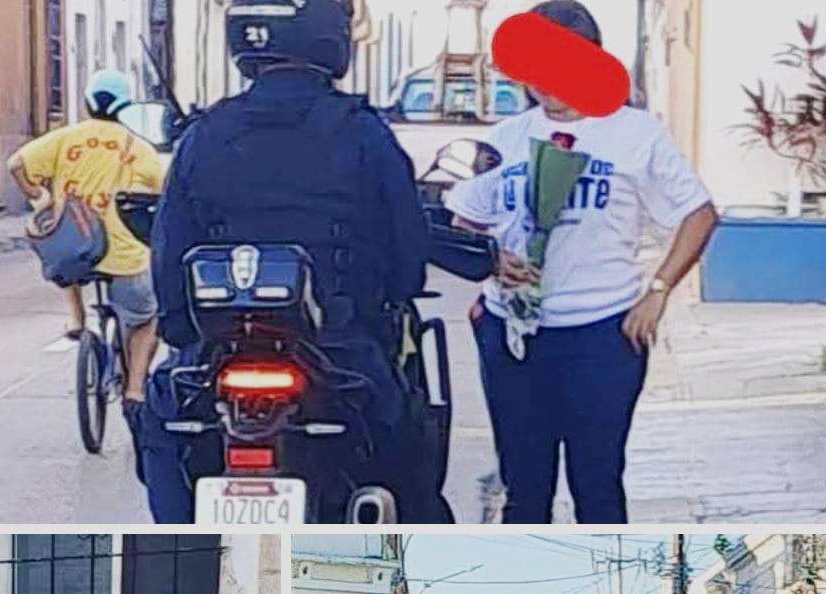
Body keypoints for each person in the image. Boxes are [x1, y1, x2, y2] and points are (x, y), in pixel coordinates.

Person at [144, 0, 433, 523]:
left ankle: (177, 542)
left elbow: (168, 248)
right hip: (340, 348)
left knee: (161, 424)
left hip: (216, 352)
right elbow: (408, 247)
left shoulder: (204, 134)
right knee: (404, 451)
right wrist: (388, 297)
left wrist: (182, 332)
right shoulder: (364, 133)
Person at [447, 0, 719, 525]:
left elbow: (699, 213)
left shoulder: (635, 134)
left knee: (597, 487)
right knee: (524, 491)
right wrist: (493, 261)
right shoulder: (505, 138)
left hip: (602, 336)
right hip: (514, 337)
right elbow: (464, 217)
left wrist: (659, 291)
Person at [7, 69, 166, 421]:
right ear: (126, 106)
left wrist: (38, 194)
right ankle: (135, 387)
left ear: (87, 101)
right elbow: (160, 187)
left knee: (69, 259)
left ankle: (76, 318)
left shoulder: (65, 139)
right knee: (150, 316)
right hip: (122, 256)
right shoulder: (135, 146)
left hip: (73, 246)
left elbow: (15, 163)